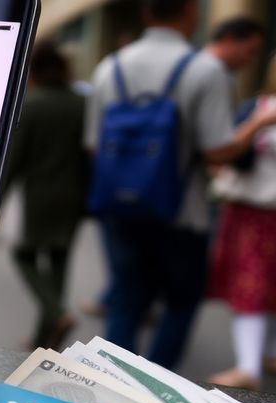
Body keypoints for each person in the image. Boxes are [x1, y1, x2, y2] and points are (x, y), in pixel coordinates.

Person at [85, 0, 276, 369]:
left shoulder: (110, 67)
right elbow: (218, 153)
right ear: (190, 12)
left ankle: (113, 379)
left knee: (126, 299)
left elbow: (95, 147)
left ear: (145, 12)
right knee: (180, 301)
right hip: (183, 213)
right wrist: (257, 123)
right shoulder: (205, 70)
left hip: (119, 210)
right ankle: (155, 381)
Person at [6, 42, 89, 350]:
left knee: (22, 255)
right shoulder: (82, 103)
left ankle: (58, 314)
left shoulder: (32, 104)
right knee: (58, 264)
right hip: (74, 196)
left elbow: (15, 159)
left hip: (37, 196)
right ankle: (45, 340)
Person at [208, 56, 276, 391]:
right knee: (251, 287)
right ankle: (250, 363)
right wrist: (258, 123)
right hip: (252, 212)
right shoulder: (257, 107)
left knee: (261, 288)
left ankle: (262, 356)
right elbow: (229, 153)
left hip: (256, 212)